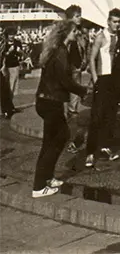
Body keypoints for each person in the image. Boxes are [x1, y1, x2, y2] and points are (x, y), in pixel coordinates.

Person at [32, 21, 88, 198]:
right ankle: (39, 186)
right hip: (51, 101)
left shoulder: (55, 50)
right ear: (66, 33)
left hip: (45, 100)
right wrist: (82, 90)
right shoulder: (61, 52)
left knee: (50, 141)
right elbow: (64, 80)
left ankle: (47, 178)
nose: (76, 33)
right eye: (74, 31)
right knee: (60, 137)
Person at [84, 8, 120, 166]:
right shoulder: (101, 36)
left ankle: (105, 147)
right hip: (103, 78)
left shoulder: (119, 37)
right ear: (108, 22)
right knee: (97, 115)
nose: (116, 24)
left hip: (115, 80)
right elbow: (92, 58)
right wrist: (95, 78)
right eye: (114, 21)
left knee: (110, 115)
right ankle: (90, 152)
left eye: (119, 22)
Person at [64, 5, 89, 154]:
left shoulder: (81, 33)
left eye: (80, 15)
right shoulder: (65, 34)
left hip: (76, 70)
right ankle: (68, 138)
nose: (79, 18)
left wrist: (83, 64)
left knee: (73, 108)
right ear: (70, 18)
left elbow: (84, 50)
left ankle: (71, 140)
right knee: (66, 106)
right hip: (66, 71)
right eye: (77, 16)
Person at [3, 31, 23, 97]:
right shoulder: (4, 43)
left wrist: (20, 51)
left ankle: (10, 102)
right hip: (5, 66)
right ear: (7, 35)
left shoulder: (17, 43)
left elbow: (22, 54)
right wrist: (9, 51)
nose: (11, 36)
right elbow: (2, 55)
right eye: (10, 34)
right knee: (5, 84)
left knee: (12, 85)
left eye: (12, 34)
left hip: (14, 65)